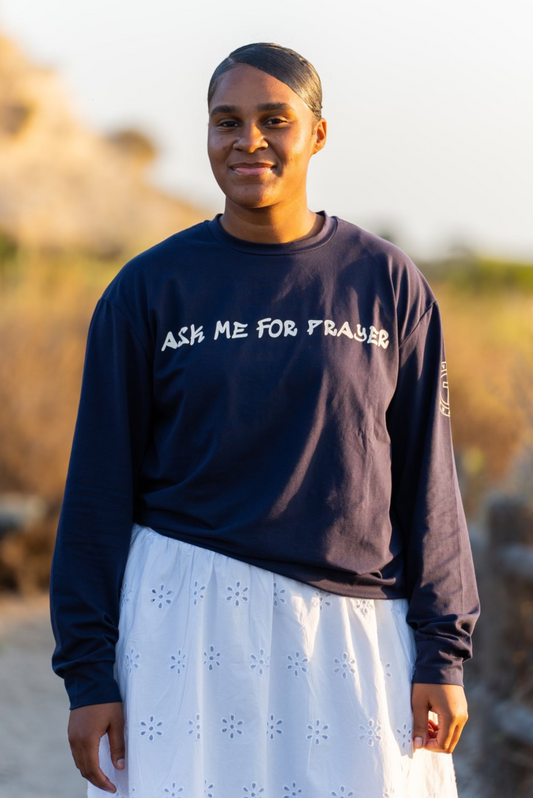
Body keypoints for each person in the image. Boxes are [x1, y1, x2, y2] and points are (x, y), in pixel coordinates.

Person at [49, 42, 480, 798]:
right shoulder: (148, 289)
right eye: (227, 122)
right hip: (183, 620)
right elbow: (96, 492)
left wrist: (442, 653)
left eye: (274, 120)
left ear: (317, 133)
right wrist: (88, 676)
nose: (249, 140)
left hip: (355, 631)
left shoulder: (386, 283)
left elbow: (428, 482)